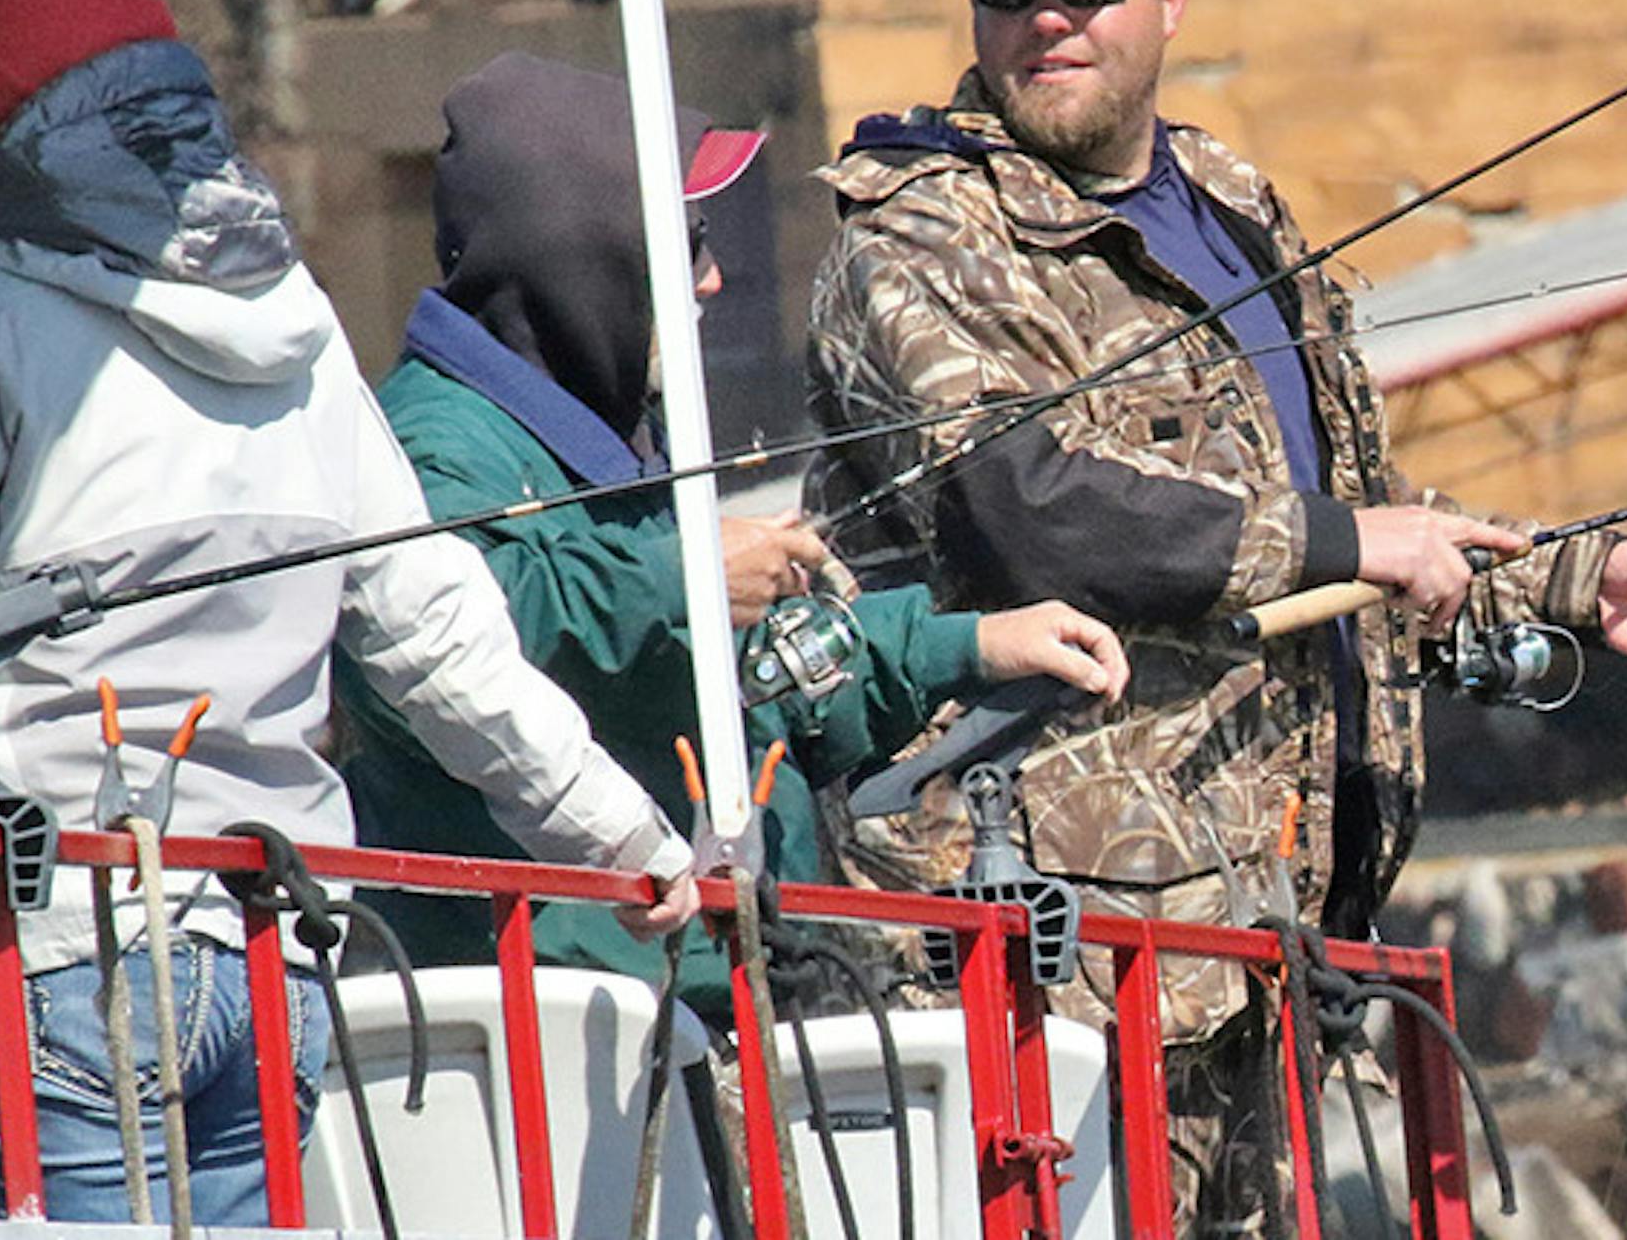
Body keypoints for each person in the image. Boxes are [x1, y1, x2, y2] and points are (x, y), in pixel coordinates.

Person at [804, 0, 1627, 1234]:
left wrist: (1567, 580)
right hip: (1044, 969)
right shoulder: (920, 233)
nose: (1047, 15)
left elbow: (1349, 511)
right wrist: (1357, 546)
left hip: (1260, 940)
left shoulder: (1231, 205)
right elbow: (1030, 512)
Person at [0, 0, 696, 1225]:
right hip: (271, 951)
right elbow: (439, 638)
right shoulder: (294, 328)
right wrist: (631, 842)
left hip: (58, 953)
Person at [332, 50, 1129, 1018]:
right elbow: (457, 636)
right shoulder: (432, 444)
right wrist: (690, 580)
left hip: (720, 995)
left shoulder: (609, 421)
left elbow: (752, 682)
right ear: (580, 249)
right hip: (564, 1023)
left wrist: (968, 645)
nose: (710, 280)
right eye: (687, 243)